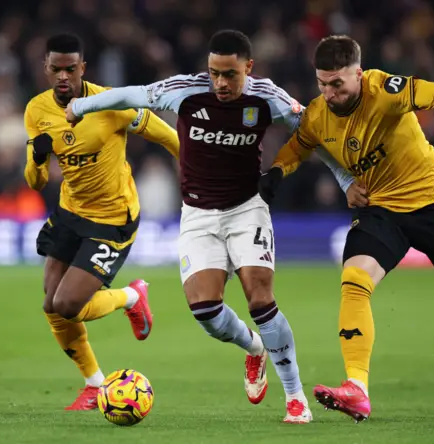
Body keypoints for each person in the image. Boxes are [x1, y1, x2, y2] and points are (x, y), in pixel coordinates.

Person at [66, 30, 355, 423]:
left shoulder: (268, 97)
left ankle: (295, 396)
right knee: (206, 311)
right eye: (214, 73)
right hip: (198, 216)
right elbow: (132, 94)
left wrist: (346, 181)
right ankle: (254, 349)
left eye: (230, 75)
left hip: (246, 209)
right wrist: (83, 105)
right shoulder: (185, 90)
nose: (220, 83)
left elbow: (315, 135)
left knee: (260, 299)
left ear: (248, 69)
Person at [259, 34, 434, 422]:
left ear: (359, 75)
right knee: (354, 279)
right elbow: (300, 144)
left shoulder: (383, 90)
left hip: (433, 204)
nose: (329, 93)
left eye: (338, 84)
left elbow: (433, 93)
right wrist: (278, 172)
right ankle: (357, 388)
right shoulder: (318, 114)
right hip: (381, 210)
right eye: (322, 83)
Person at [24, 33, 181, 411]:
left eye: (70, 69)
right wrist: (37, 158)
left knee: (67, 304)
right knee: (50, 304)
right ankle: (94, 384)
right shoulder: (37, 110)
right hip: (69, 212)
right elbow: (36, 182)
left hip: (112, 219)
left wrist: (195, 165)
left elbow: (165, 134)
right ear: (45, 69)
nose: (63, 77)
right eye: (56, 69)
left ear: (83, 69)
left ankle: (132, 296)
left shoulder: (111, 103)